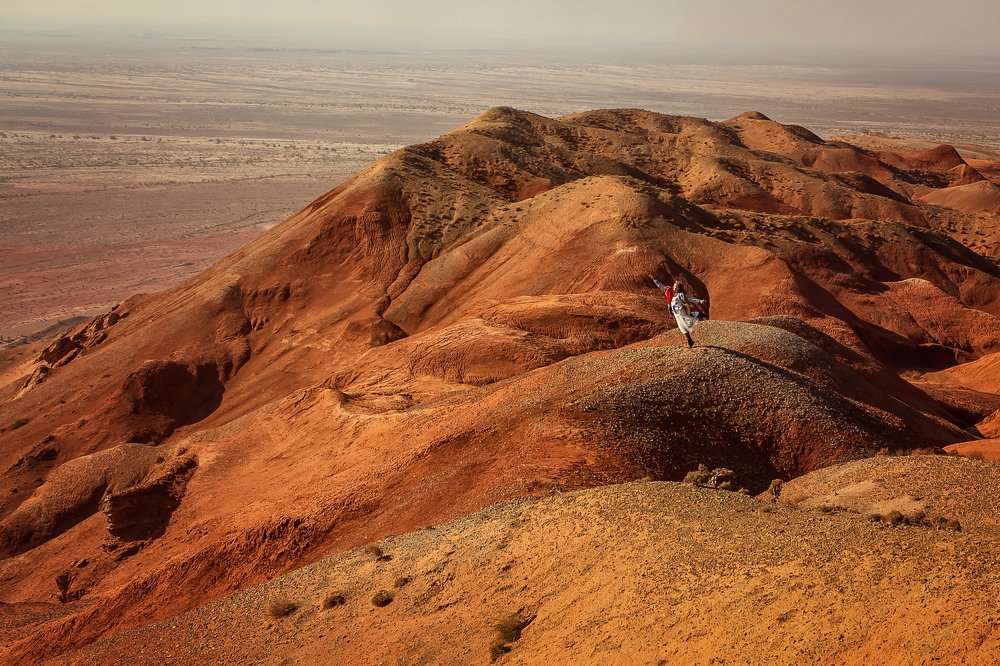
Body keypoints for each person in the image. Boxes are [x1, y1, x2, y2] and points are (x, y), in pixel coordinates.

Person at [669, 281, 707, 348]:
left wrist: (700, 301)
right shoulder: (673, 296)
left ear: (678, 288)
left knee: (692, 317)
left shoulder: (681, 295)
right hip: (677, 315)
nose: (673, 287)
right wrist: (671, 311)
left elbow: (691, 299)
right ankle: (690, 340)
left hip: (683, 313)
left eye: (675, 286)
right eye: (673, 286)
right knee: (682, 328)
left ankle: (704, 315)